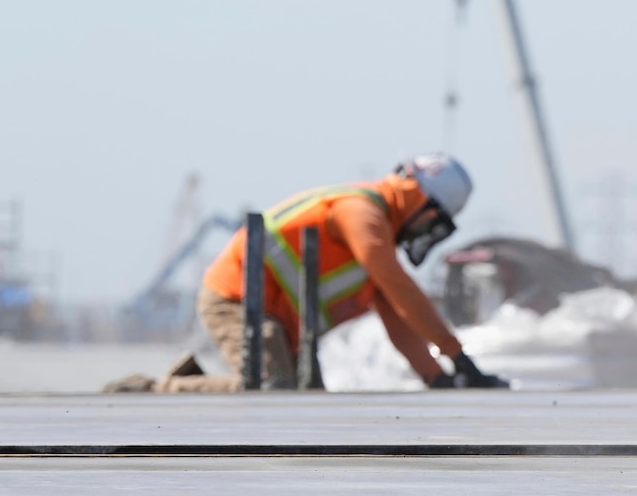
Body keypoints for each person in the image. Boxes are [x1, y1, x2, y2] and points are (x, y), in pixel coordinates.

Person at [110, 153, 507, 392]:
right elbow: (401, 289)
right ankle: (152, 389)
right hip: (237, 300)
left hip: (283, 326)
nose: (425, 234)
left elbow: (400, 322)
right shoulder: (361, 213)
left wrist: (437, 378)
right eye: (432, 223)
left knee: (308, 401)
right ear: (421, 203)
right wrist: (458, 357)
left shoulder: (378, 238)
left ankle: (187, 379)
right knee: (271, 392)